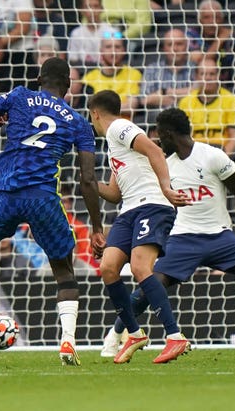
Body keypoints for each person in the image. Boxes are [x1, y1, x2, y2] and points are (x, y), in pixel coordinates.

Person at [100, 107, 235, 357]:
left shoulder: (212, 156)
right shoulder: (162, 166)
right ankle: (115, 334)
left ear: (169, 134)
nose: (158, 141)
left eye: (160, 136)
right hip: (181, 237)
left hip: (218, 236)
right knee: (152, 283)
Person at [0, 58, 106, 366]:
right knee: (64, 272)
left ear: (38, 78)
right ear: (69, 87)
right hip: (44, 197)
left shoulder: (19, 96)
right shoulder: (77, 121)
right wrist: (97, 228)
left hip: (8, 192)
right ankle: (68, 341)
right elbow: (87, 180)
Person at [88, 90, 193, 364]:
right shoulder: (115, 146)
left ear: (95, 113)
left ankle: (174, 336)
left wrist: (167, 189)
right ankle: (134, 333)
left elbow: (155, 150)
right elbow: (114, 192)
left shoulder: (120, 127)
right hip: (130, 209)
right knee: (109, 267)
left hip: (152, 204)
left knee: (139, 267)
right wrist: (86, 181)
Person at [177, 58, 235, 156]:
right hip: (194, 153)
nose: (208, 78)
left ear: (218, 76)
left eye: (212, 74)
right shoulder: (186, 102)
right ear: (196, 77)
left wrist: (223, 158)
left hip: (221, 152)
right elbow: (181, 137)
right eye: (203, 74)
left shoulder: (230, 100)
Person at [140, 28, 195, 134]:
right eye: (170, 44)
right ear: (164, 48)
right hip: (159, 127)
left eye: (179, 44)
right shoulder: (152, 69)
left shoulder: (195, 68)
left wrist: (165, 92)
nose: (175, 48)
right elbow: (145, 100)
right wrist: (183, 97)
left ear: (186, 46)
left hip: (190, 123)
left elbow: (199, 92)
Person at [82, 30, 142, 119]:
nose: (113, 51)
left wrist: (101, 109)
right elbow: (88, 109)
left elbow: (131, 107)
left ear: (124, 50)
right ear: (101, 50)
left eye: (117, 47)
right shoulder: (89, 77)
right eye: (108, 47)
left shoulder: (134, 74)